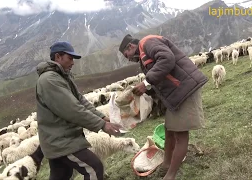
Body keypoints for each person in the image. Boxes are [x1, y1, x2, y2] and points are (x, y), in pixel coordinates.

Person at [119, 34, 208, 180]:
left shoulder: (147, 43)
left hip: (185, 88)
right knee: (169, 129)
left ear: (130, 46)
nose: (127, 58)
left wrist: (146, 83)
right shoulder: (143, 54)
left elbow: (167, 59)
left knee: (180, 134)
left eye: (126, 54)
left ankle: (170, 174)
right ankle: (166, 165)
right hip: (177, 92)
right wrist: (145, 91)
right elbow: (160, 76)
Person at [36, 41, 122, 180]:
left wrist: (101, 117)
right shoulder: (49, 80)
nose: (73, 62)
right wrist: (102, 125)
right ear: (58, 57)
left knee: (62, 175)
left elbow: (79, 100)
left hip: (59, 139)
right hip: (62, 140)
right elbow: (73, 109)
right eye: (70, 58)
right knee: (94, 168)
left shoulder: (61, 76)